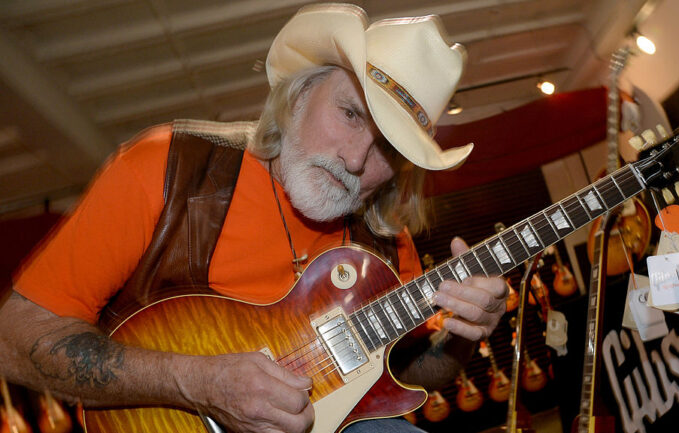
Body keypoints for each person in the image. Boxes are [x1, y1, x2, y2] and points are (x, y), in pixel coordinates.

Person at [0, 4, 508, 433]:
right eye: (351, 114)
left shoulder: (386, 247)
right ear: (300, 94)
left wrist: (464, 334)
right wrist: (198, 383)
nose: (354, 160)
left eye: (387, 151)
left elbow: (411, 376)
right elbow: (13, 341)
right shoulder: (167, 170)